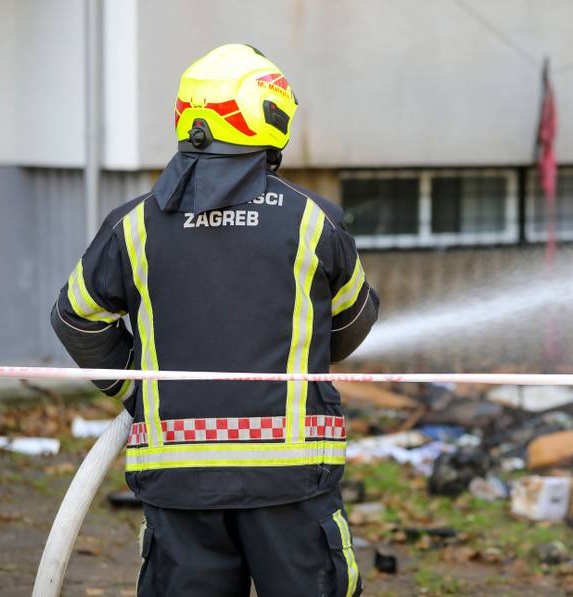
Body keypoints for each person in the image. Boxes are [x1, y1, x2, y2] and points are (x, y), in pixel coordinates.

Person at [51, 44, 377, 596]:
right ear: (270, 118)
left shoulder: (132, 227)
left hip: (179, 487)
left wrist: (138, 390)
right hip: (292, 483)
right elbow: (351, 324)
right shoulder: (312, 223)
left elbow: (76, 320)